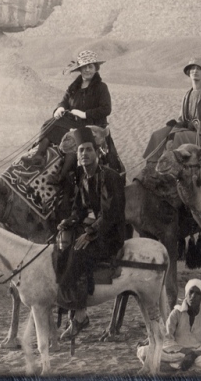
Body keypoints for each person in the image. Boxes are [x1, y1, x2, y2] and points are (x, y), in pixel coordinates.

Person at [55, 130, 126, 339]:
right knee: (62, 251)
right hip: (93, 229)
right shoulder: (84, 178)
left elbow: (111, 213)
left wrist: (90, 233)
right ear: (77, 156)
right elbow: (79, 209)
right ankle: (71, 310)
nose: (84, 153)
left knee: (78, 253)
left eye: (88, 150)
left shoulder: (109, 177)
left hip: (110, 234)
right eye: (80, 150)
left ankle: (79, 317)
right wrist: (68, 222)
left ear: (96, 153)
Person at [23, 50, 118, 179]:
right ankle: (39, 155)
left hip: (93, 124)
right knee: (50, 123)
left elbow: (106, 109)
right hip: (74, 121)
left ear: (96, 68)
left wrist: (85, 114)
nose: (87, 70)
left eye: (90, 67)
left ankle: (62, 176)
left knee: (74, 138)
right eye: (84, 67)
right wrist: (60, 108)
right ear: (80, 70)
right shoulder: (74, 87)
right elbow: (64, 101)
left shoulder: (101, 87)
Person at [142, 57, 201, 166]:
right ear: (189, 73)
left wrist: (194, 125)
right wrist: (176, 125)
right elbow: (181, 120)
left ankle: (171, 169)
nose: (195, 71)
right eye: (192, 68)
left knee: (177, 137)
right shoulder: (187, 95)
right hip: (187, 131)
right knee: (158, 135)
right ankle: (151, 167)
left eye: (199, 68)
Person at [138, 279, 201, 373]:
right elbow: (166, 339)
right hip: (176, 355)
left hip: (198, 356)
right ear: (186, 294)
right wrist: (186, 352)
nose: (193, 296)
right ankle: (189, 369)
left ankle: (177, 368)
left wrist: (194, 354)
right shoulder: (176, 313)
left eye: (197, 294)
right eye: (191, 292)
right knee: (143, 351)